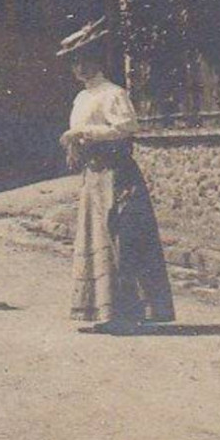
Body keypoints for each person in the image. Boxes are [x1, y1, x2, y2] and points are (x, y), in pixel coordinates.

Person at [56, 19, 175, 332]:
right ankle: (102, 310)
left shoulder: (112, 93)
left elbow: (124, 128)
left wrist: (83, 132)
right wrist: (76, 145)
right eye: (74, 62)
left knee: (120, 236)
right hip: (93, 175)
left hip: (116, 174)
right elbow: (82, 133)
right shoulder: (81, 98)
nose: (79, 68)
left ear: (97, 60)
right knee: (97, 238)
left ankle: (128, 313)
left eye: (84, 60)